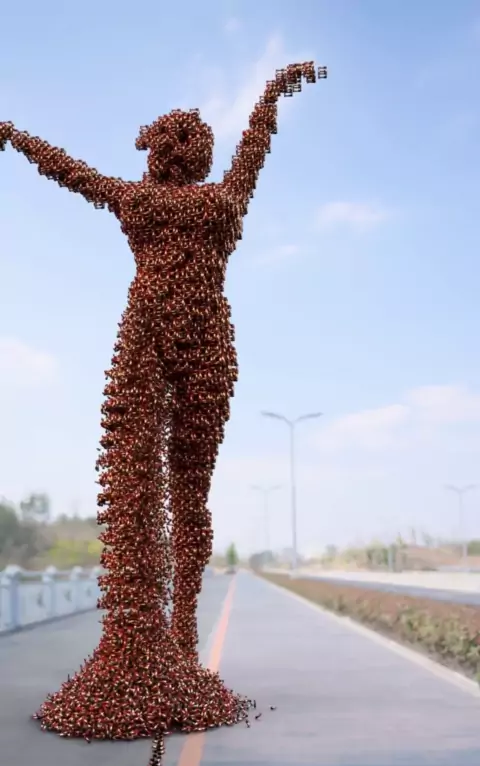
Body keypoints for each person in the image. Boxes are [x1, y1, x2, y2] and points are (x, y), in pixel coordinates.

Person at [0, 62, 321, 659]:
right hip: (207, 344)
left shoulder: (137, 200)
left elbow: (71, 173)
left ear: (158, 154)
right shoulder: (220, 203)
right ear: (200, 156)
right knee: (189, 493)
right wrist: (274, 92)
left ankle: (140, 638)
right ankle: (182, 638)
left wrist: (15, 137)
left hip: (146, 336)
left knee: (134, 482)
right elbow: (254, 152)